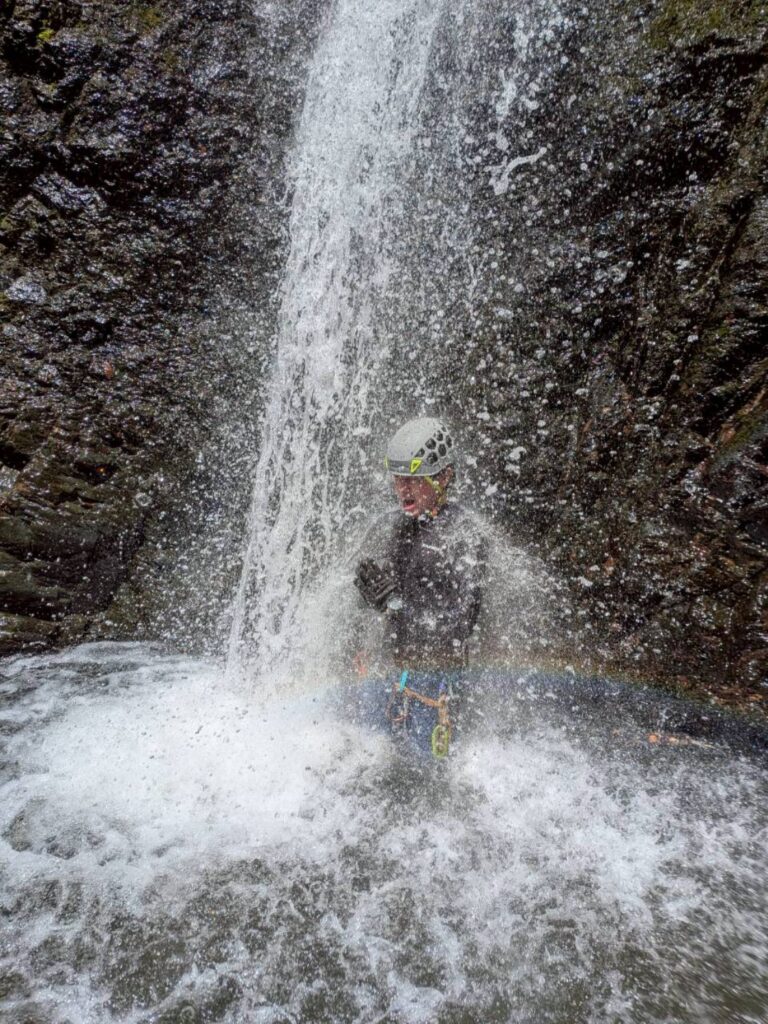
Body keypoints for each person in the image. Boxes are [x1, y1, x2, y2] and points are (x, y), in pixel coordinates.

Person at [352, 417, 486, 758]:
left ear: (444, 476)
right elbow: (371, 606)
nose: (403, 489)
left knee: (425, 774)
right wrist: (369, 600)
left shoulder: (464, 535)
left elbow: (460, 626)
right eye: (398, 478)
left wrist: (395, 605)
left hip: (436, 693)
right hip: (394, 681)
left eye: (414, 478)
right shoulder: (392, 527)